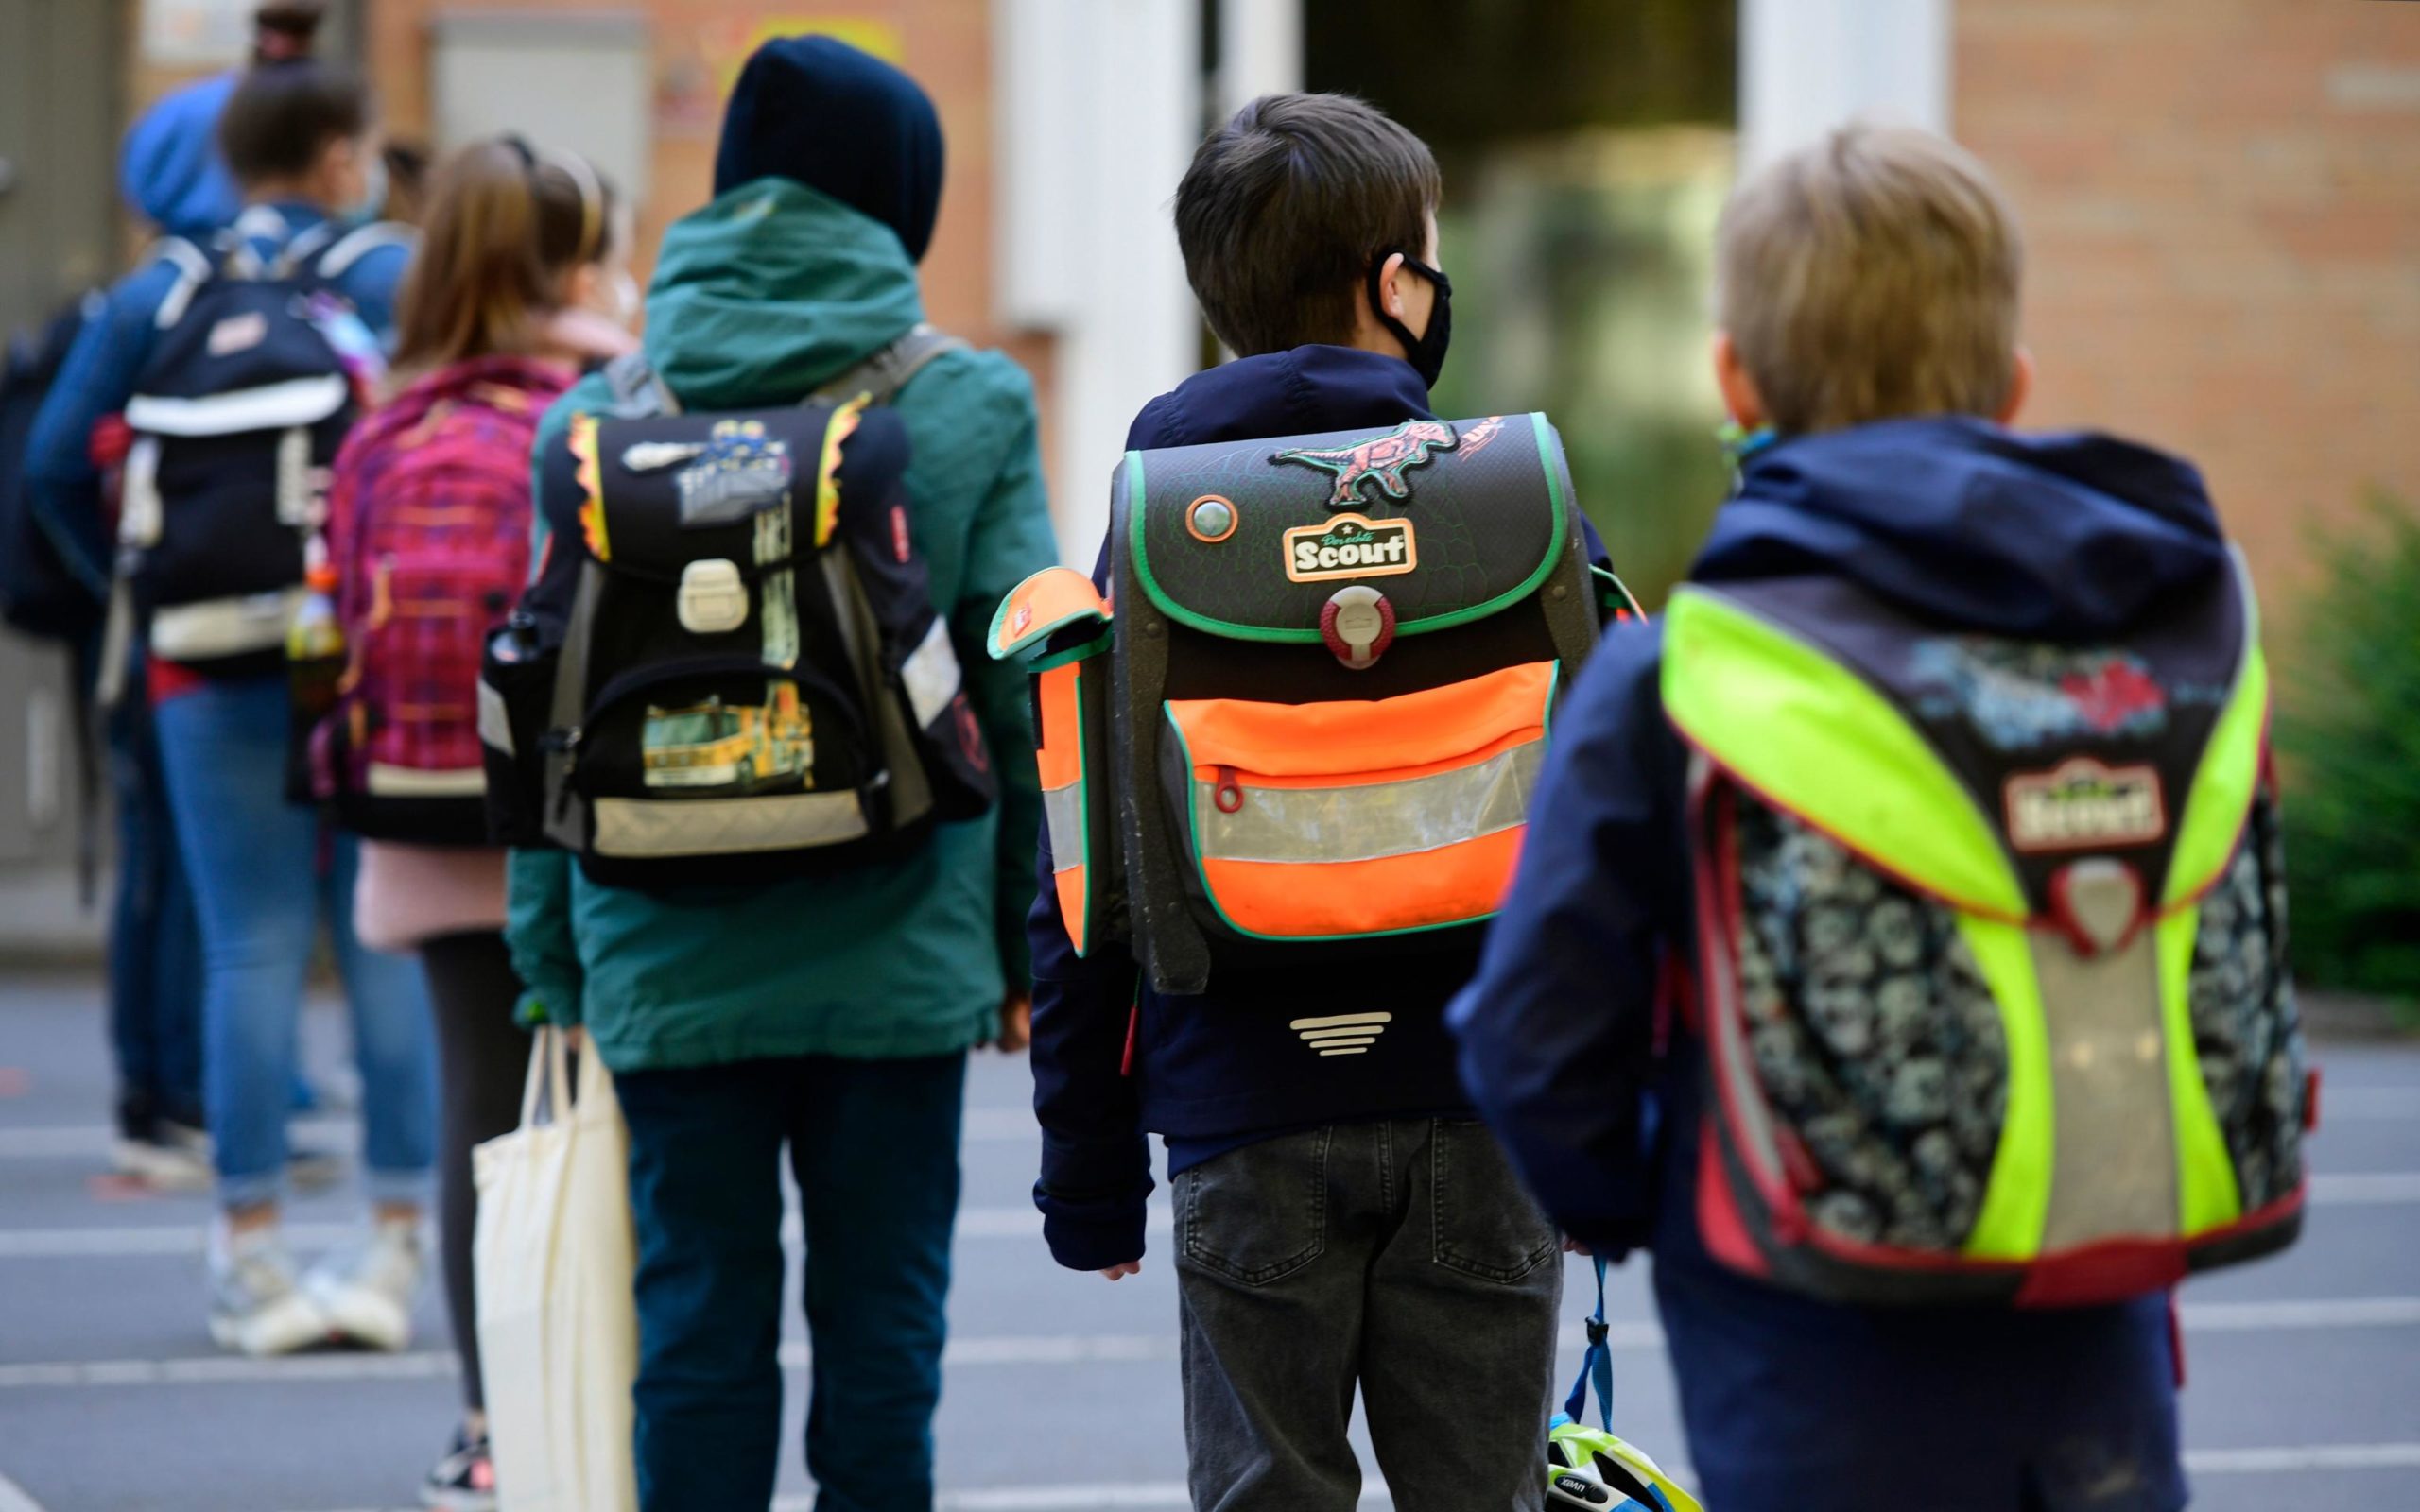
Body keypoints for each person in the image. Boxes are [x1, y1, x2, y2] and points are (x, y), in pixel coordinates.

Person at [1447, 124, 2253, 1512]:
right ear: (2012, 387)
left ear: (1734, 380)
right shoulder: (2165, 633)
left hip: (1804, 1343)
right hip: (2100, 1322)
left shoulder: (1686, 672)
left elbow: (1531, 1037)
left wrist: (1664, 1196)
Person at [1026, 93, 1615, 1512]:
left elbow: (1078, 871)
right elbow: (1611, 831)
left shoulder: (1154, 528)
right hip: (1482, 1105)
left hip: (1242, 1106)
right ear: (1394, 284)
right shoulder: (1513, 502)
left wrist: (1087, 1173)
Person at [503, 36, 1055, 1512]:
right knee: (883, 1341)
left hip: (659, 952)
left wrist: (556, 961)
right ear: (897, 203)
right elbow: (1021, 696)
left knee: (691, 1333)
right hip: (900, 946)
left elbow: (538, 703)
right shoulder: (970, 403)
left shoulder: (590, 419)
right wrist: (1023, 945)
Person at [28, 0, 437, 1359]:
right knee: (378, 937)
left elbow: (45, 471)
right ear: (336, 155)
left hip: (201, 664)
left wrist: (136, 595)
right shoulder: (383, 279)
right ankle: (392, 1244)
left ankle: (247, 1253)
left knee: (247, 942)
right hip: (362, 657)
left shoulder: (157, 292)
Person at [324, 136, 634, 1510]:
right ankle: (600, 1399)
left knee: (479, 1112)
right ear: (574, 260)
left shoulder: (386, 417)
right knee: (613, 1109)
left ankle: (487, 1418)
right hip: (571, 815)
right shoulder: (601, 403)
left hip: (423, 799)